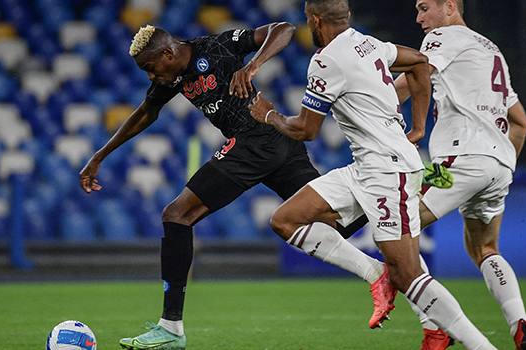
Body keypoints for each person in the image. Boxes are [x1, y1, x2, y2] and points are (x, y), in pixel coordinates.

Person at [80, 22, 399, 350]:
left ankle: (170, 328)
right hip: (279, 144)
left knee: (177, 215)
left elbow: (284, 29)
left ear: (167, 53)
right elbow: (146, 113)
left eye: (150, 68)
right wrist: (99, 155)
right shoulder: (171, 75)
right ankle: (398, 218)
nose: (150, 76)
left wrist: (254, 64)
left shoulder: (216, 47)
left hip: (256, 138)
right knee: (335, 221)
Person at [249, 1, 500, 349]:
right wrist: (418, 125)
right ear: (347, 18)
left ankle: (476, 344)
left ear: (315, 20)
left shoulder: (325, 61)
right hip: (366, 167)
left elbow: (306, 130)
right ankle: (375, 273)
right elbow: (420, 63)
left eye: (308, 20)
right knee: (286, 220)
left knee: (407, 272)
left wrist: (269, 115)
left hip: (387, 171)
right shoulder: (369, 43)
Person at [394, 1, 526, 349]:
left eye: (425, 7)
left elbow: (413, 79)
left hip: (463, 156)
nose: (419, 18)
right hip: (499, 164)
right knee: (485, 248)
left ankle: (435, 327)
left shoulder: (443, 37)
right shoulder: (491, 51)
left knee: (396, 232)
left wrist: (362, 96)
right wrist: (498, 167)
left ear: (450, 7)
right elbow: (521, 123)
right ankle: (521, 325)